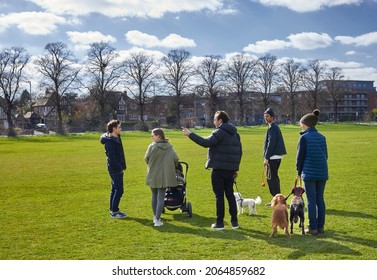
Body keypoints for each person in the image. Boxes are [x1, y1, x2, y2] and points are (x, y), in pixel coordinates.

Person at [182, 111, 242, 230]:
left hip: (219, 169)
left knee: (219, 196)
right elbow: (239, 152)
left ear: (220, 121)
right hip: (230, 170)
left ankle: (219, 223)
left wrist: (190, 135)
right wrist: (235, 168)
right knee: (230, 195)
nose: (214, 121)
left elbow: (206, 143)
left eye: (215, 119)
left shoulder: (219, 132)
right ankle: (234, 222)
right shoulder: (236, 134)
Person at [296, 109, 328, 235]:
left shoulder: (304, 138)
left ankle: (313, 227)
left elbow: (300, 158)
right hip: (322, 172)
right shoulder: (322, 137)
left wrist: (299, 171)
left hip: (309, 173)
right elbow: (325, 155)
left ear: (305, 124)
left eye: (301, 123)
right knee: (320, 199)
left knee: (311, 200)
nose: (300, 125)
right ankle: (321, 227)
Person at [145, 128, 179, 227]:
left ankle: (156, 216)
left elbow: (146, 159)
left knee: (154, 196)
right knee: (160, 197)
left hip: (153, 174)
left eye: (153, 135)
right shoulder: (170, 147)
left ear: (158, 136)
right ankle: (157, 219)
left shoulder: (152, 146)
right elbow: (176, 159)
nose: (151, 137)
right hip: (165, 176)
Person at [100, 120, 127, 219]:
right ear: (114, 129)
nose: (121, 129)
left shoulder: (116, 137)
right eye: (119, 127)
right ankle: (115, 211)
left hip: (116, 167)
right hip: (114, 169)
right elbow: (112, 158)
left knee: (114, 189)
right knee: (119, 190)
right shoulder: (110, 141)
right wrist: (119, 168)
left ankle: (113, 210)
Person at [263, 108, 286, 204]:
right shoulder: (273, 127)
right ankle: (276, 199)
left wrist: (266, 157)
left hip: (273, 157)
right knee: (273, 178)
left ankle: (277, 200)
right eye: (265, 116)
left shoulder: (273, 128)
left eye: (267, 116)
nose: (265, 118)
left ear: (272, 117)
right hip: (275, 156)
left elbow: (271, 143)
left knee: (272, 179)